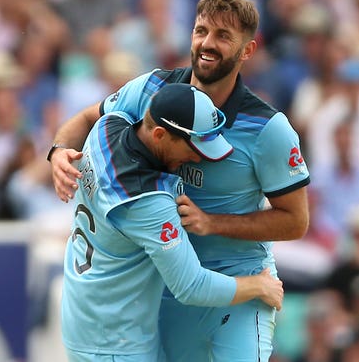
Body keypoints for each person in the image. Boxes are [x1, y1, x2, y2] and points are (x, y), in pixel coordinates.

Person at [49, 0, 310, 361]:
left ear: (247, 50)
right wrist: (58, 151)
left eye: (224, 36)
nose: (207, 43)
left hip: (238, 283)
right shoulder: (153, 87)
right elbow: (91, 117)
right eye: (201, 30)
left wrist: (212, 223)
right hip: (172, 287)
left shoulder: (270, 129)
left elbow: (296, 222)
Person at [61, 83, 284, 361]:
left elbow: (91, 119)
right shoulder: (146, 200)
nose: (198, 157)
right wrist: (259, 286)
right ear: (159, 135)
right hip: (115, 345)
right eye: (193, 146)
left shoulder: (107, 127)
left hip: (86, 317)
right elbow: (191, 286)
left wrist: (57, 149)